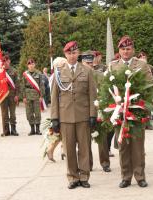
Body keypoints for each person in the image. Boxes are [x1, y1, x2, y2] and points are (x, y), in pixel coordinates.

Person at [109, 35, 153, 188]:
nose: (126, 52)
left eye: (128, 49)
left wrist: (144, 107)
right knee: (123, 146)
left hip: (137, 111)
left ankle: (140, 176)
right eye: (123, 49)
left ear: (133, 50)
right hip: (120, 112)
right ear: (119, 51)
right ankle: (126, 177)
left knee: (138, 146)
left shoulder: (142, 64)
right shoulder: (113, 66)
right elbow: (107, 88)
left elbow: (150, 86)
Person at [50, 41, 97, 189]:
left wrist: (93, 115)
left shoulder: (87, 71)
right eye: (69, 53)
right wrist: (54, 118)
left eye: (74, 53)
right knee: (69, 149)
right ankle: (72, 177)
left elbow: (92, 95)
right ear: (65, 55)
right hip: (65, 117)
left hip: (83, 115)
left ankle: (84, 176)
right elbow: (54, 97)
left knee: (84, 148)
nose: (72, 56)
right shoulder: (58, 71)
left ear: (79, 53)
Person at [81, 50, 112, 172]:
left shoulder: (99, 75)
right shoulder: (78, 76)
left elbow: (105, 91)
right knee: (85, 140)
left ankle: (105, 163)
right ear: (82, 62)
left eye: (90, 62)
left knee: (102, 138)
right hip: (83, 110)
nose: (89, 65)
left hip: (99, 109)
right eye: (86, 63)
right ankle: (88, 164)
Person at [21, 59, 45, 135]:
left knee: (37, 113)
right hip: (28, 95)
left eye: (32, 64)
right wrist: (24, 97)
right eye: (29, 64)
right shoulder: (25, 74)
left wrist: (41, 96)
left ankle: (37, 129)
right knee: (29, 113)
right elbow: (23, 86)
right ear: (28, 65)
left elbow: (41, 85)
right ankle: (32, 129)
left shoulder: (39, 73)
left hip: (36, 95)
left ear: (34, 65)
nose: (31, 65)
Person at [0, 55, 20, 136]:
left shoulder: (14, 71)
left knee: (12, 113)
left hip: (12, 95)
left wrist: (17, 95)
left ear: (9, 61)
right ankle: (6, 130)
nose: (5, 63)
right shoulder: (0, 72)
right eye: (3, 61)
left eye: (6, 61)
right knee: (4, 113)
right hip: (3, 95)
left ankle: (13, 129)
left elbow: (17, 84)